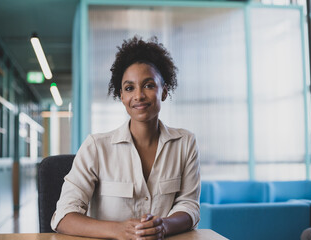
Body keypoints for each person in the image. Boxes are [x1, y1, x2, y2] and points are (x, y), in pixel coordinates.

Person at [50, 36, 201, 240]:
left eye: (148, 85)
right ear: (121, 96)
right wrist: (118, 230)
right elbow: (63, 217)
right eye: (130, 88)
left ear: (164, 92)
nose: (138, 96)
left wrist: (163, 226)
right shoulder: (96, 147)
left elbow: (189, 204)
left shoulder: (185, 143)